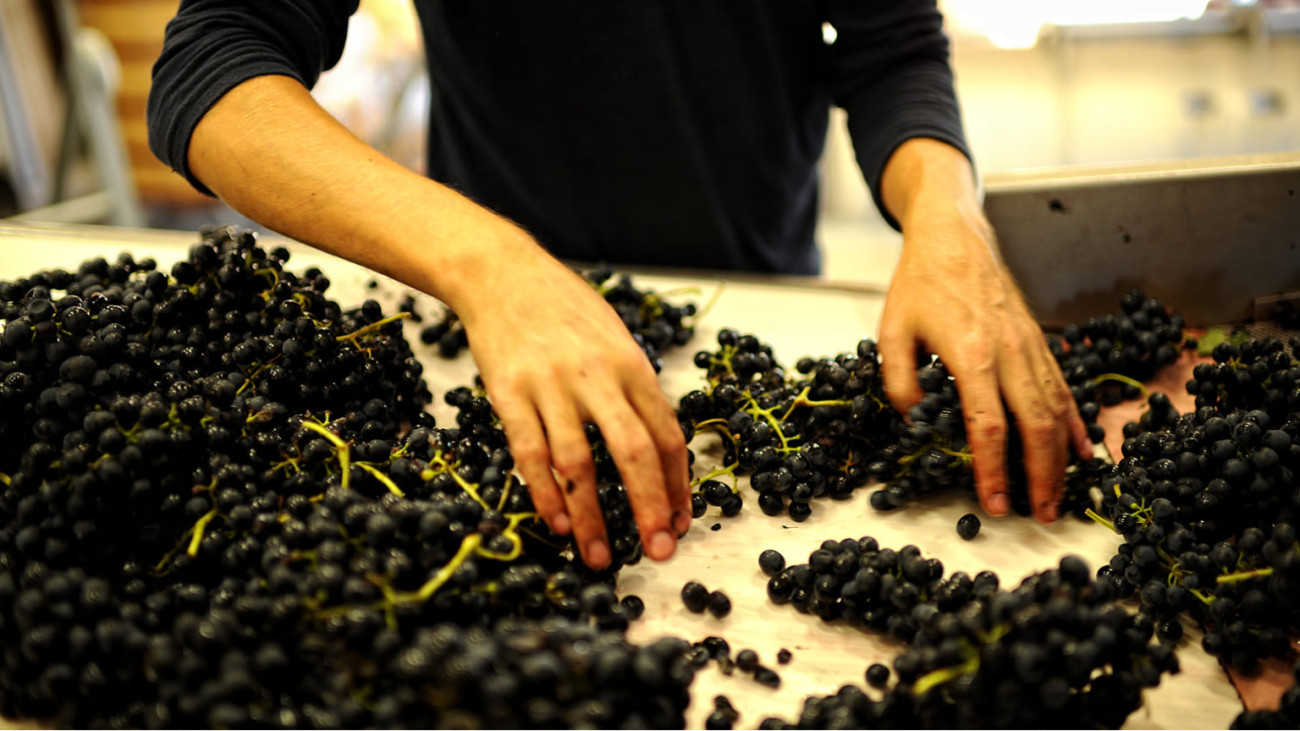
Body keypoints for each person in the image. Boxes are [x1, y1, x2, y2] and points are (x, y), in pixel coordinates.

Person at [147, 0, 1091, 571]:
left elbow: (894, 49)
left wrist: (947, 215)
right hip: (496, 334)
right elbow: (215, 60)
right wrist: (491, 264)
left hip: (756, 304)